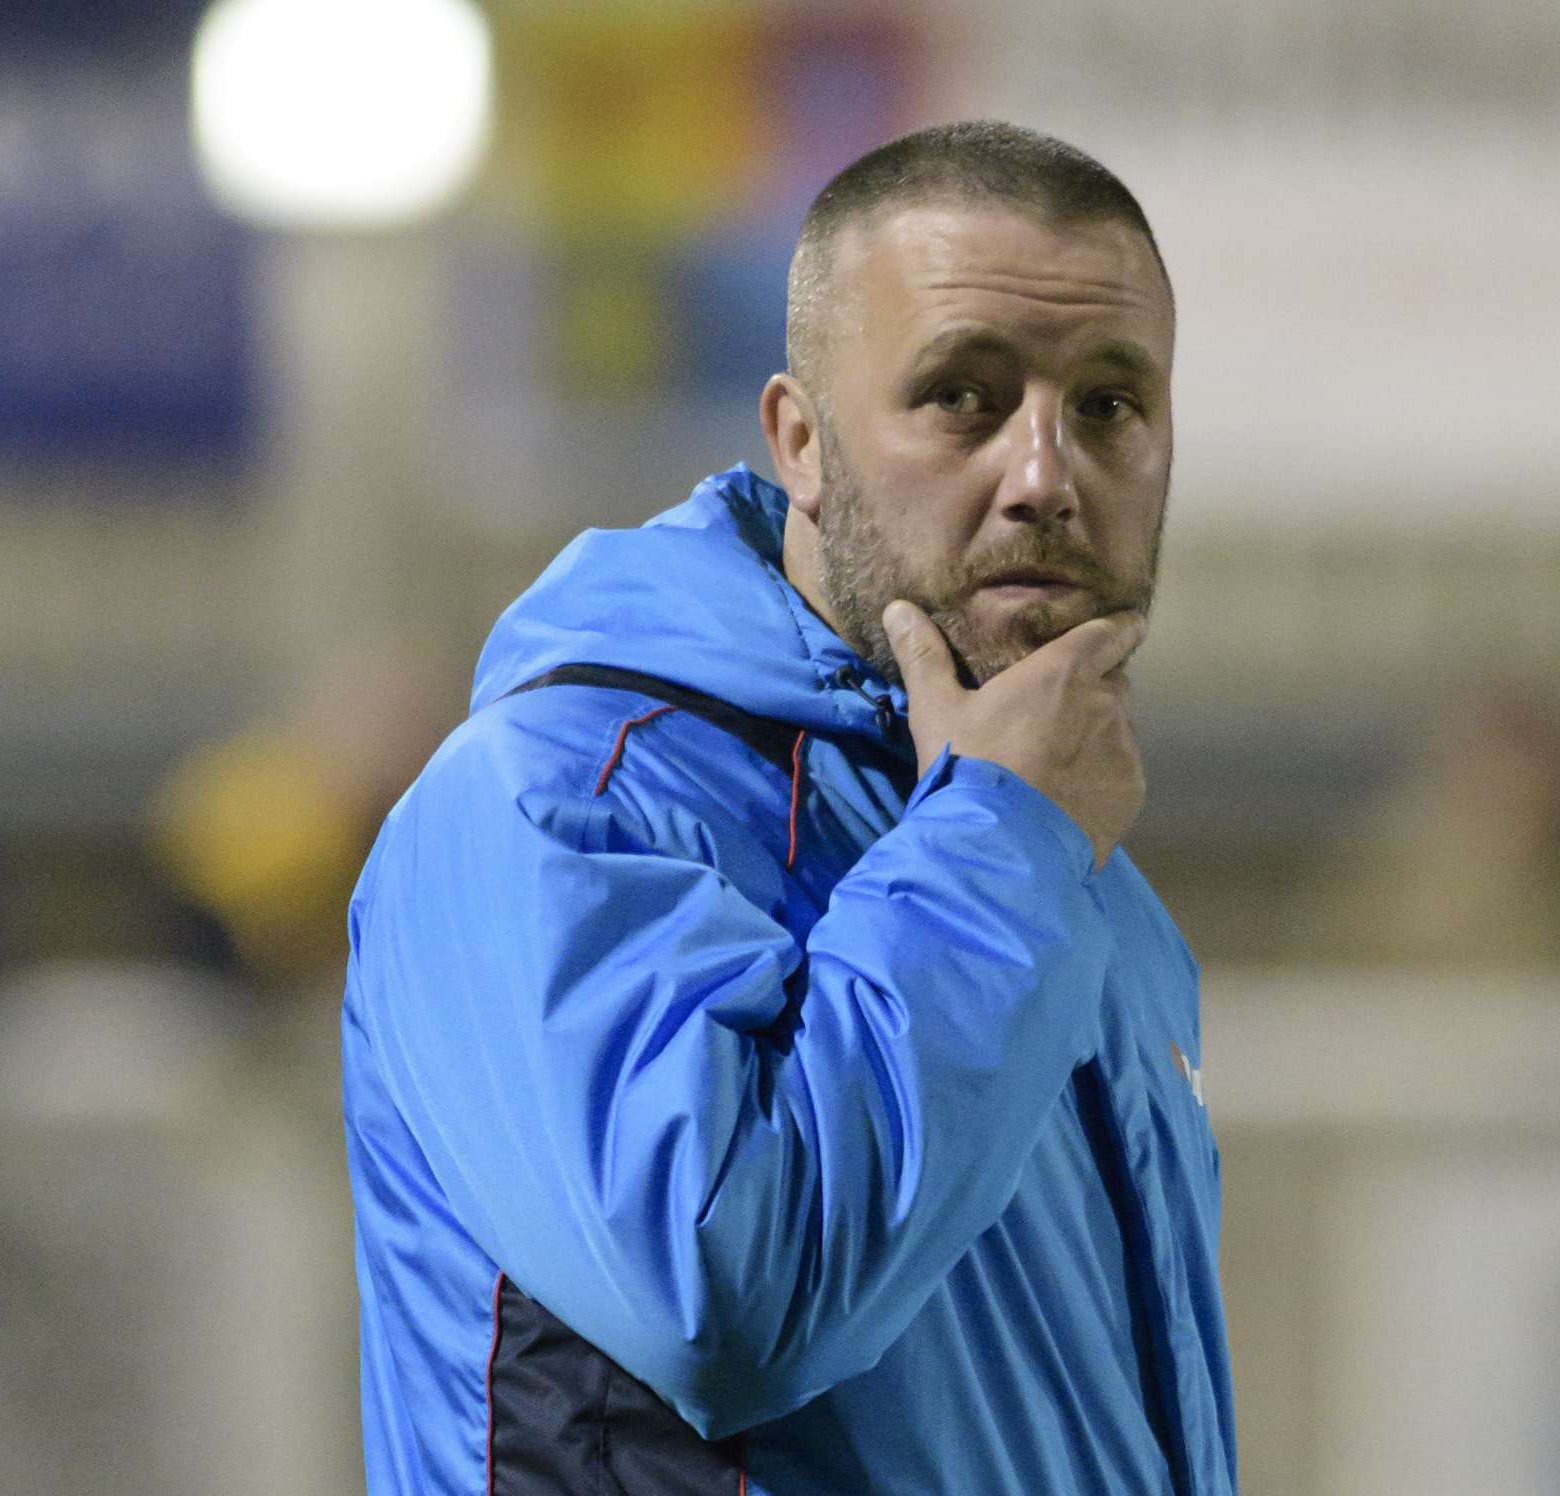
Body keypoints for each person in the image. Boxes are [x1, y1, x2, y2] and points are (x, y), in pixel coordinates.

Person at [342, 120, 1237, 1495]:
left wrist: (1007, 837)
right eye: (962, 397)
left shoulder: (1065, 867)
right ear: (800, 441)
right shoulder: (555, 803)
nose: (1045, 476)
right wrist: (1000, 840)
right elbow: (726, 1301)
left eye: (1109, 406)